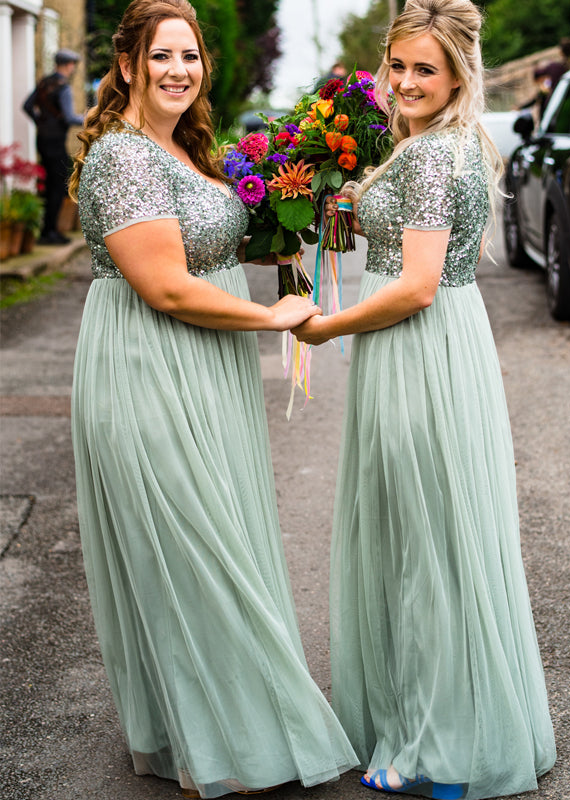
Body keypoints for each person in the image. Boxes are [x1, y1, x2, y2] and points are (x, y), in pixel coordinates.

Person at [68, 1, 358, 797]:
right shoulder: (125, 159)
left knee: (216, 538)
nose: (178, 71)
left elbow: (220, 238)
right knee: (192, 552)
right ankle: (217, 749)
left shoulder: (186, 148)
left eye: (190, 57)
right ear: (127, 63)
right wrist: (271, 318)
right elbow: (164, 286)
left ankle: (225, 730)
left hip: (207, 371)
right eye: (161, 56)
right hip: (150, 367)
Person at [293, 1, 556, 798]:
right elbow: (409, 250)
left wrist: (325, 325)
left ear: (457, 75)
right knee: (435, 534)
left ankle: (437, 749)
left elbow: (412, 287)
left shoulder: (432, 158)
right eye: (398, 66)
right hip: (438, 345)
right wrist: (342, 213)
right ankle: (455, 723)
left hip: (418, 350)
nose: (405, 82)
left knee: (423, 545)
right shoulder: (433, 147)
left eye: (425, 70)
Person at [23, 48, 84, 245]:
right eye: (73, 64)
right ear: (69, 65)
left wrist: (39, 121)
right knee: (58, 185)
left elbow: (27, 106)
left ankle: (48, 230)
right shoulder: (63, 87)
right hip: (56, 141)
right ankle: (49, 232)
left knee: (50, 184)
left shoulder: (45, 83)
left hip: (42, 139)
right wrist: (91, 118)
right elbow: (69, 117)